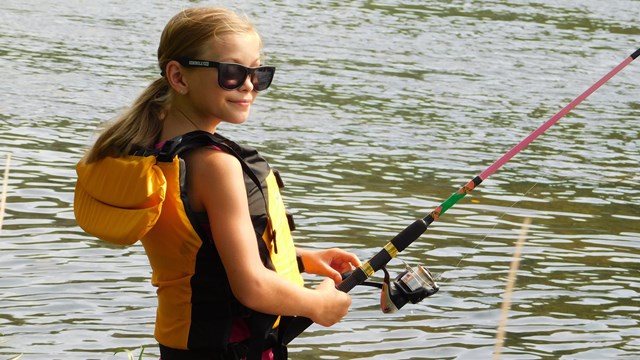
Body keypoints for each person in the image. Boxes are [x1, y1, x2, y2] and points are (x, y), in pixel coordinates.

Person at [73, 7, 361, 360]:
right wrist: (318, 304)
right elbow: (251, 287)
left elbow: (200, 256)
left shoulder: (153, 151)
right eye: (232, 73)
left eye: (258, 73)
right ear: (178, 77)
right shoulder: (216, 166)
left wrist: (298, 259)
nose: (249, 85)